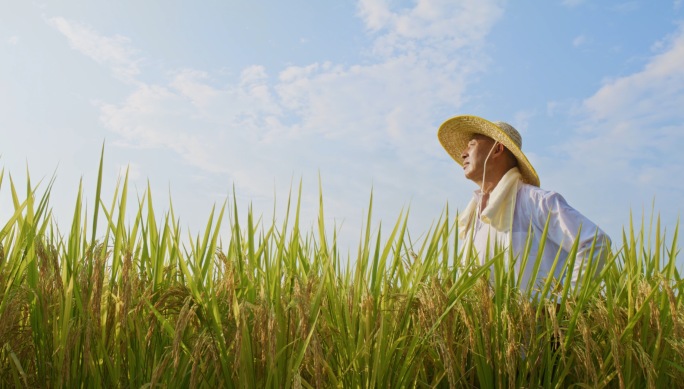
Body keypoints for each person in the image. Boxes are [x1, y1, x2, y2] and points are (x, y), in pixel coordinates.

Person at [437, 115, 611, 290]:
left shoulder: (536, 201)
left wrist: (564, 301)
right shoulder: (472, 217)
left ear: (497, 150)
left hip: (534, 316)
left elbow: (594, 242)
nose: (463, 153)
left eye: (472, 145)